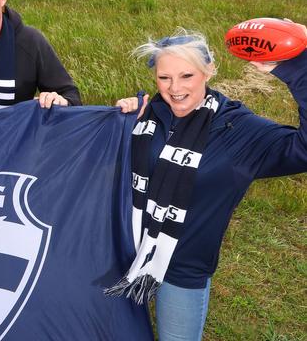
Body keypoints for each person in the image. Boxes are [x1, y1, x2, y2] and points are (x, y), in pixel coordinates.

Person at [111, 29, 307, 340]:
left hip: (184, 268)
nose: (175, 89)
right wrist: (116, 120)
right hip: (123, 251)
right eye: (165, 78)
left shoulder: (238, 129)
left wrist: (297, 69)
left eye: (187, 75)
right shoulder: (145, 115)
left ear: (209, 71)